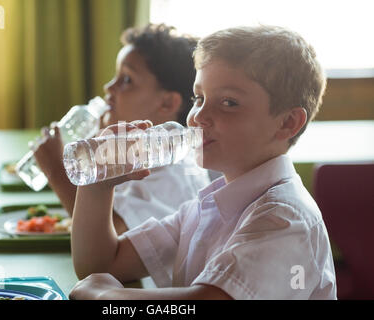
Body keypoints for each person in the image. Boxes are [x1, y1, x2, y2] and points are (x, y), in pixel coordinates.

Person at [69, 25, 337, 300]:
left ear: (287, 123)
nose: (198, 116)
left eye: (229, 102)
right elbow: (103, 262)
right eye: (199, 98)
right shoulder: (205, 208)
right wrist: (98, 183)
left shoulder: (284, 219)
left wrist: (105, 298)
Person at [33, 24, 210, 235]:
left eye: (126, 80)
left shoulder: (172, 173)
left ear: (167, 104)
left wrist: (57, 171)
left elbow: (112, 238)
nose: (109, 87)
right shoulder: (136, 152)